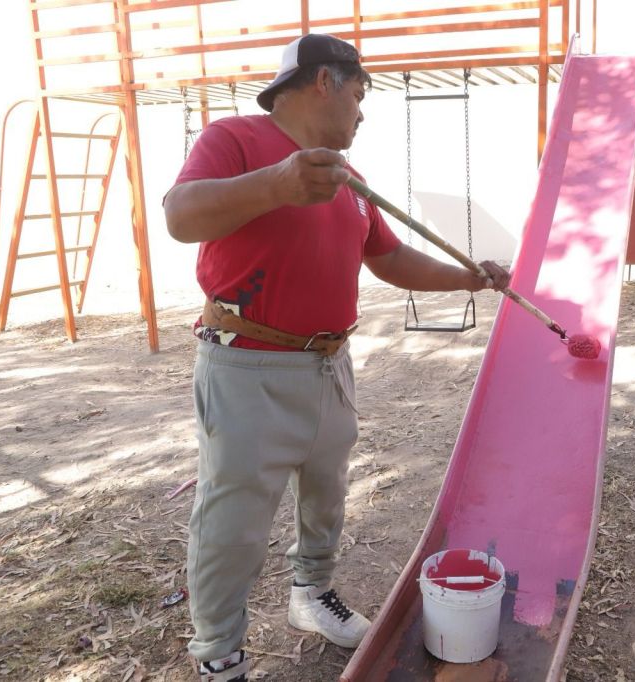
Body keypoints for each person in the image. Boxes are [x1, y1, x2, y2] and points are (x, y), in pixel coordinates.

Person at [163, 34, 510, 682]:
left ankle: (311, 593)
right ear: (325, 81)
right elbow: (180, 217)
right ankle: (219, 653)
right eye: (360, 92)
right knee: (234, 519)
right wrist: (278, 183)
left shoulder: (349, 180)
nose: (362, 110)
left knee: (326, 497)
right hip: (248, 365)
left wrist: (469, 279)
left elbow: (391, 258)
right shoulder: (234, 139)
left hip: (329, 365)